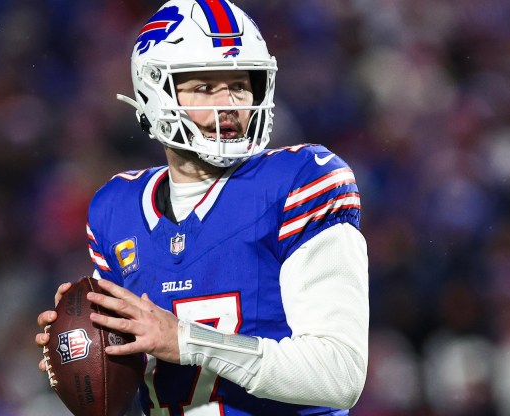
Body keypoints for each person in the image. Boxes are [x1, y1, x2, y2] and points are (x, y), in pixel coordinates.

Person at [35, 0, 369, 414]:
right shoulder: (115, 210)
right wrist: (84, 350)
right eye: (204, 87)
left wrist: (188, 340)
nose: (228, 102)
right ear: (154, 93)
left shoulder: (301, 182)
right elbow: (149, 377)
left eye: (240, 85)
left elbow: (339, 375)